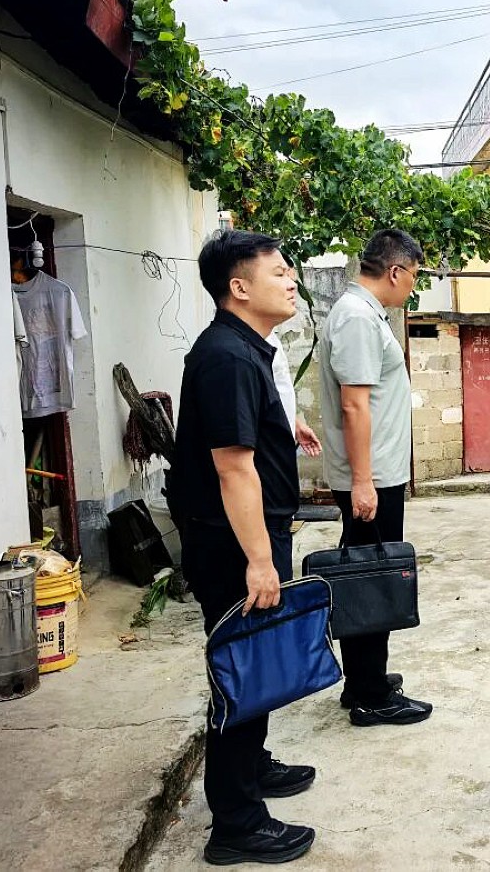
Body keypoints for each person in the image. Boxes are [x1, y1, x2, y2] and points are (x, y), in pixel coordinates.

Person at [172, 230, 318, 865]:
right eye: (278, 272)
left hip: (249, 536)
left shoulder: (247, 348)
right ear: (239, 287)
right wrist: (260, 559)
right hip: (233, 546)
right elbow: (233, 468)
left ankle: (251, 767)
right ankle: (235, 824)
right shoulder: (227, 357)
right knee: (242, 670)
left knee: (256, 665)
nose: (291, 281)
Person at [319, 228, 432, 726]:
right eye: (414, 276)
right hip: (371, 478)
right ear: (395, 271)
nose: (413, 286)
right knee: (371, 582)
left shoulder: (363, 314)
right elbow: (354, 405)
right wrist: (363, 481)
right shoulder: (357, 318)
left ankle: (366, 679)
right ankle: (369, 695)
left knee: (372, 575)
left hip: (376, 474)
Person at [267, 328, 322, 458]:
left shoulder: (267, 336)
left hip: (280, 445)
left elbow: (268, 390)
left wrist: (292, 421)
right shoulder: (238, 347)